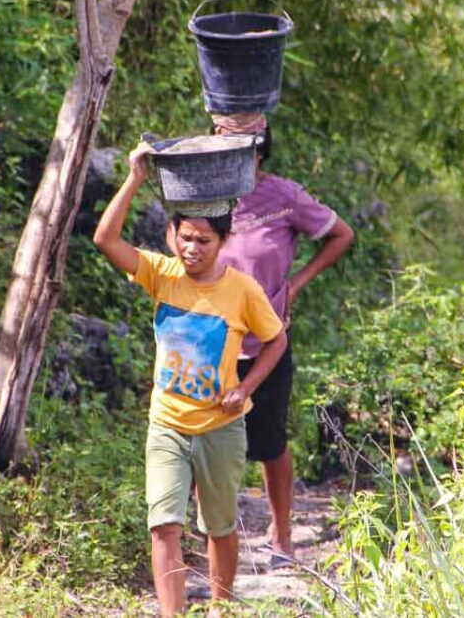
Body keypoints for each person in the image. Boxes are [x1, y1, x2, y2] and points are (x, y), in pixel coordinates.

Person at [94, 142, 287, 616]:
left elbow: (275, 341)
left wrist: (245, 388)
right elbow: (105, 240)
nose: (192, 248)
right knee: (164, 525)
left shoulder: (242, 290)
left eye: (203, 241)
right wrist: (135, 178)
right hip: (167, 424)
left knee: (218, 527)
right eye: (185, 238)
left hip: (220, 427)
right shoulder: (162, 274)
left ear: (223, 242)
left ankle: (221, 608)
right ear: (170, 235)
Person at [172, 112, 355, 567]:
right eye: (223, 144)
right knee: (196, 431)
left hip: (265, 340)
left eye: (241, 147)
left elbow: (340, 234)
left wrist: (295, 284)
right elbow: (179, 240)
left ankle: (282, 533)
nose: (231, 154)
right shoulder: (204, 194)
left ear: (259, 150)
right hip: (209, 339)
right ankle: (197, 538)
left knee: (270, 440)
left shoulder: (283, 196)